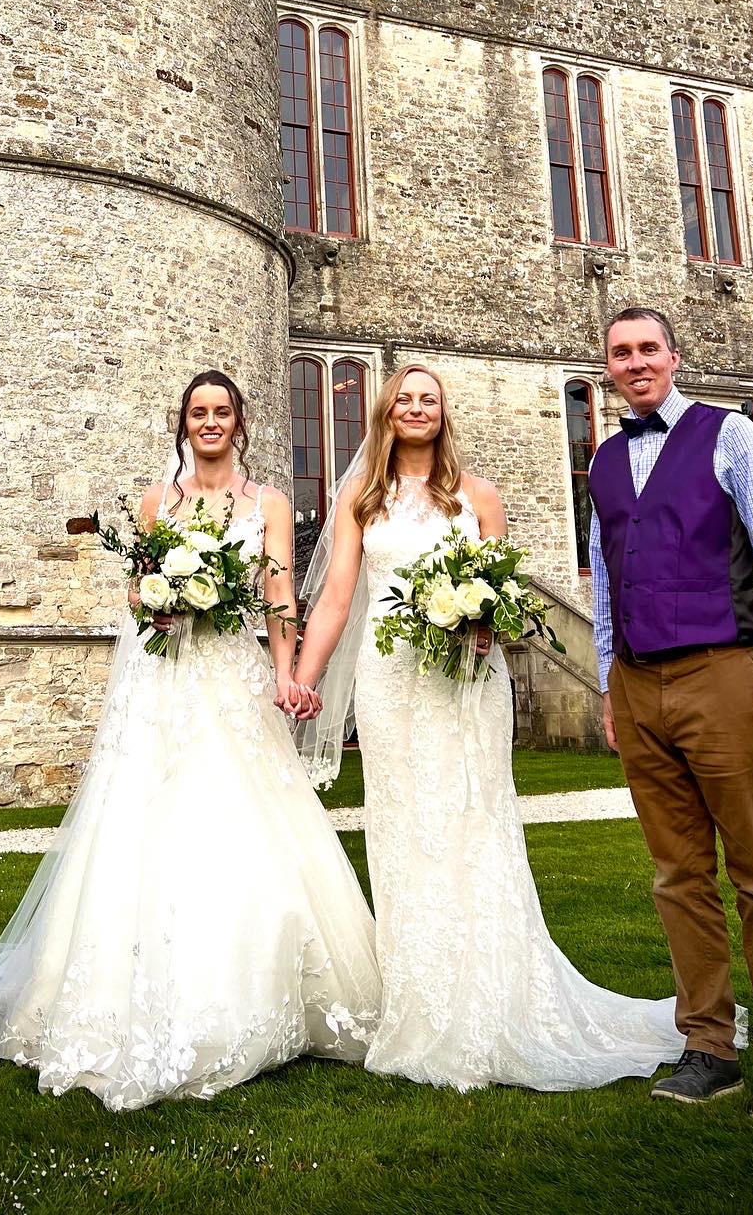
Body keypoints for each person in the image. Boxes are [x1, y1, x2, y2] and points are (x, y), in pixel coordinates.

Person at [0, 371, 380, 1110]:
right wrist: (161, 604)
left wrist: (286, 672)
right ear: (183, 424)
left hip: (235, 680)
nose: (210, 423)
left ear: (238, 425)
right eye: (198, 413)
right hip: (167, 680)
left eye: (221, 413)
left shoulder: (268, 503)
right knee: (147, 820)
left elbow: (278, 592)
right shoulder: (158, 502)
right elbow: (138, 591)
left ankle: (266, 987)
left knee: (242, 819)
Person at [293, 363, 687, 1092]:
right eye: (405, 399)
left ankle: (496, 998)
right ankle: (419, 1001)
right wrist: (302, 678)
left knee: (476, 828)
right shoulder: (362, 498)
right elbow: (337, 599)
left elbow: (499, 595)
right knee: (405, 832)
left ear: (443, 414)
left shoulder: (479, 497)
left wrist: (482, 628)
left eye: (429, 400)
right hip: (391, 687)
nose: (416, 409)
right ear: (386, 413)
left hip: (467, 686)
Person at [591, 308, 753, 1120]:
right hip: (638, 684)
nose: (635, 362)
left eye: (648, 348)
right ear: (608, 367)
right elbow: (605, 581)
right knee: (677, 876)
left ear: (674, 357)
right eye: (621, 352)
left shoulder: (730, 436)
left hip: (723, 671)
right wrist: (607, 686)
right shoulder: (605, 461)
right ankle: (708, 1045)